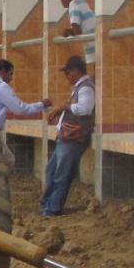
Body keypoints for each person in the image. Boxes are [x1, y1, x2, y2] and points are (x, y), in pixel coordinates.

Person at [41, 56, 96, 216]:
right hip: (66, 137)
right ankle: (47, 205)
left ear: (76, 70)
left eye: (68, 72)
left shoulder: (85, 88)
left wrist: (66, 106)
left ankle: (52, 208)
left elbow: (85, 109)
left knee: (61, 174)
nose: (67, 76)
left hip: (74, 138)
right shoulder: (79, 87)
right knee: (52, 171)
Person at [0, 59, 50, 158]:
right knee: (6, 162)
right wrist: (41, 104)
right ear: (3, 71)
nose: (11, 78)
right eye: (10, 74)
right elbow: (20, 109)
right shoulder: (1, 87)